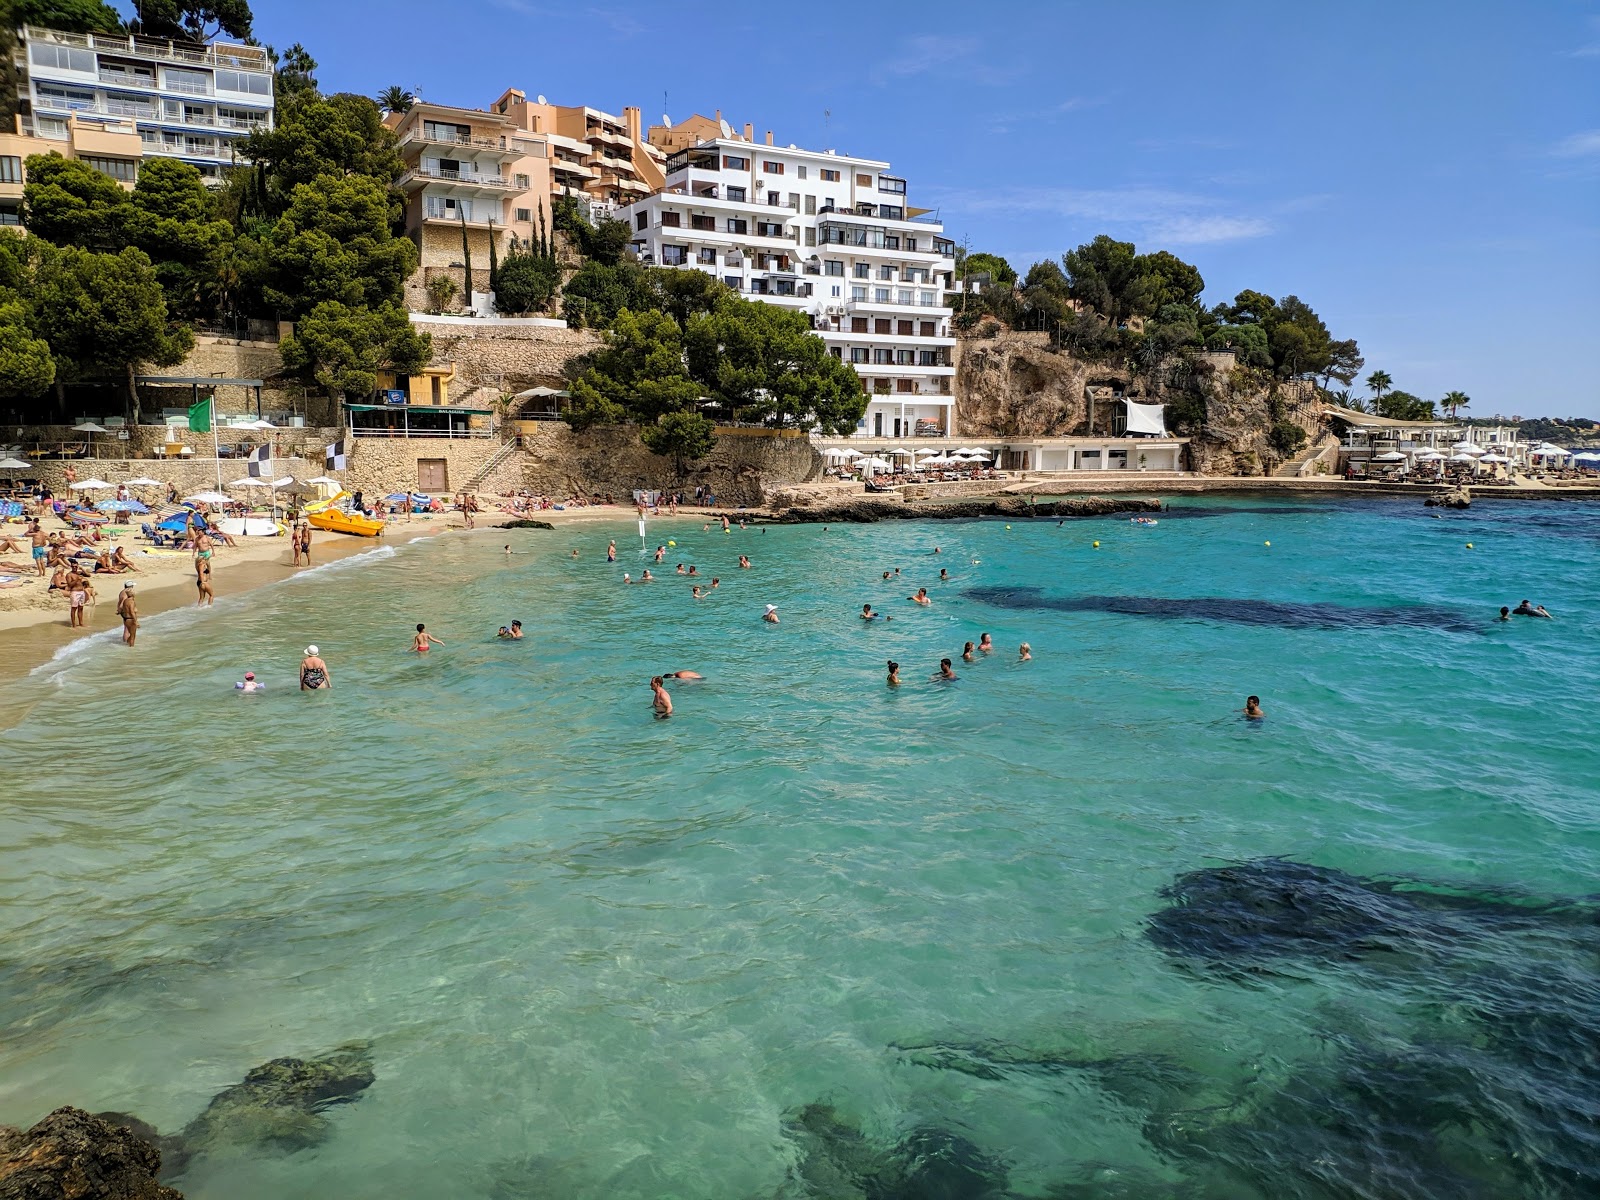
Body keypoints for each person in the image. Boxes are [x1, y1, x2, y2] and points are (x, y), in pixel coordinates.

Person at [116, 582, 138, 646]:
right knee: (129, 632)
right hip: (128, 616)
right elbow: (131, 610)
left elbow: (119, 602)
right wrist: (136, 621)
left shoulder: (122, 592)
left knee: (127, 630)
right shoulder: (128, 598)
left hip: (125, 615)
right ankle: (127, 644)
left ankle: (126, 643)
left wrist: (119, 611)